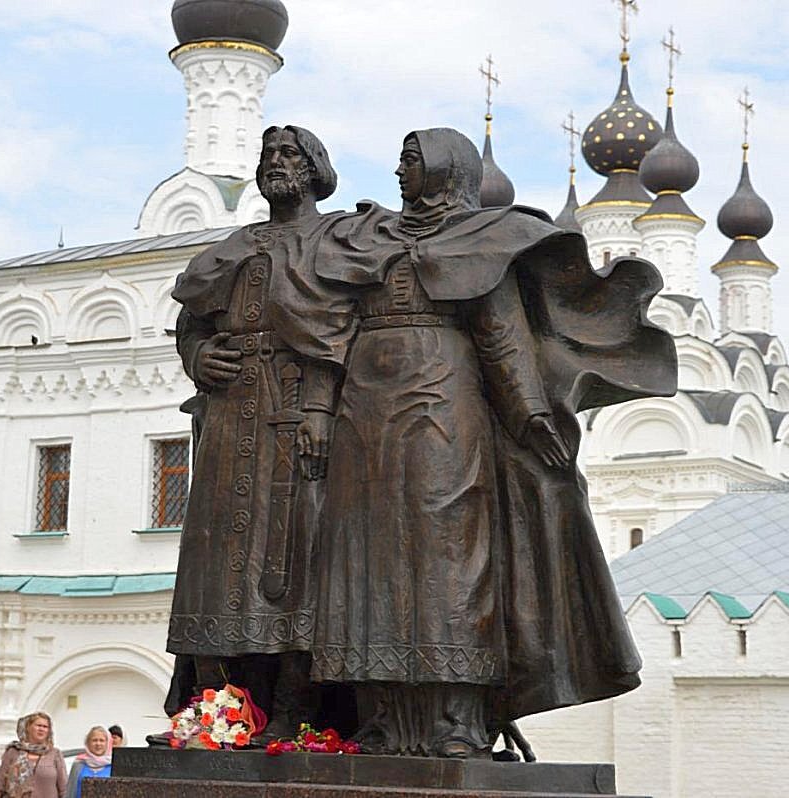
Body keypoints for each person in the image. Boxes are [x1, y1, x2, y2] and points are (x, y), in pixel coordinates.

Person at [309, 128, 676, 757]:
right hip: (363, 419)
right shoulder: (368, 240)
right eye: (401, 159)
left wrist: (532, 415)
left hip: (443, 416)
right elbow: (324, 331)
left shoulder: (484, 241)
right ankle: (382, 720)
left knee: (449, 559)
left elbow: (503, 336)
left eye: (411, 160)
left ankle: (456, 720)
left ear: (448, 170)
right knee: (365, 559)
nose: (399, 171)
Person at [167, 125, 358, 736]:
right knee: (215, 561)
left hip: (296, 416)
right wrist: (199, 357)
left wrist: (321, 410)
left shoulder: (334, 240)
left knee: (294, 561)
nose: (276, 164)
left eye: (290, 155)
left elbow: (342, 334)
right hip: (227, 423)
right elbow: (191, 321)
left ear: (314, 169)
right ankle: (217, 710)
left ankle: (296, 712)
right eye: (268, 155)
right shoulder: (235, 244)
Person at [0, 712, 66, 798]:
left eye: (45, 727)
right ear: (28, 727)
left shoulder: (54, 754)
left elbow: (64, 789)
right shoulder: (13, 752)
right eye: (38, 726)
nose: (41, 729)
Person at [65, 727, 111, 798]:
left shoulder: (113, 766)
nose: (98, 744)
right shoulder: (78, 764)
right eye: (94, 740)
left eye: (102, 740)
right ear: (88, 743)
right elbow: (70, 791)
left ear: (107, 743)